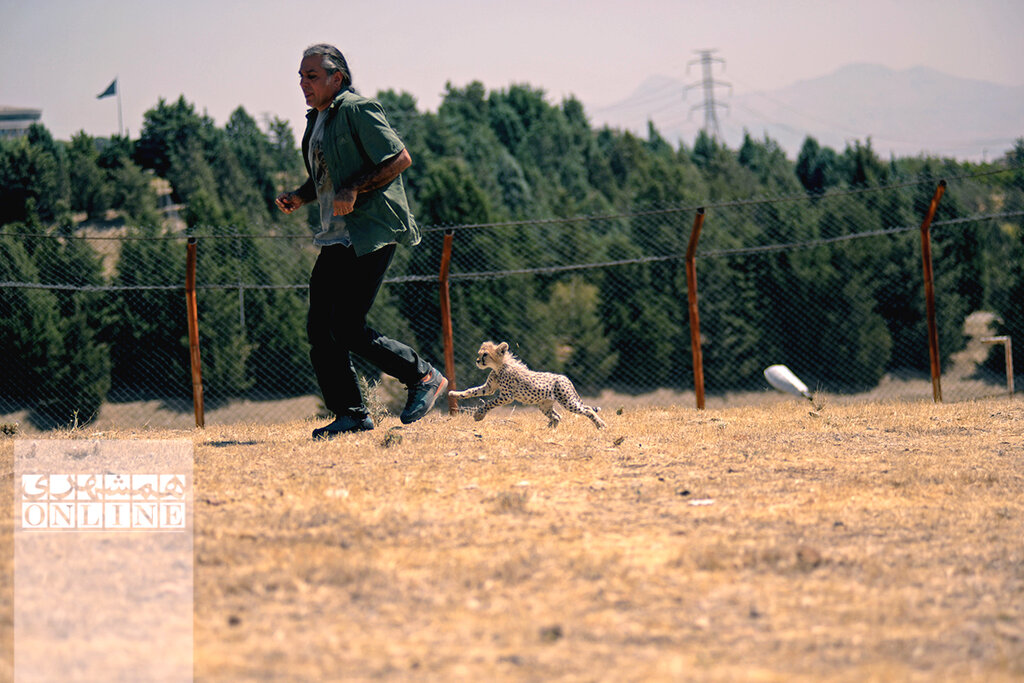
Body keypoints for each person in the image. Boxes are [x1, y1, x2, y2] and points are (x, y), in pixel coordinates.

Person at [275, 43, 447, 439]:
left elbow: (400, 158)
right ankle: (352, 414)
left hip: (370, 233)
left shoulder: (356, 109)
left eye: (312, 76)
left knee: (347, 326)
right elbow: (327, 176)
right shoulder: (316, 119)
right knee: (321, 329)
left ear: (337, 78)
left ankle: (422, 376)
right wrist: (302, 195)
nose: (303, 83)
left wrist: (353, 188)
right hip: (335, 237)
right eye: (301, 76)